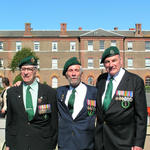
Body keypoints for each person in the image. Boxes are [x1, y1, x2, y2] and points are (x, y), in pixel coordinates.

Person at [95, 46, 147, 150]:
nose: (111, 65)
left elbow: (141, 116)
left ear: (121, 60)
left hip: (124, 142)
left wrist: (138, 143)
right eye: (107, 62)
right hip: (101, 142)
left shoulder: (135, 81)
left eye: (114, 60)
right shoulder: (101, 80)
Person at [6, 56, 58, 150]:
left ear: (35, 71)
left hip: (43, 144)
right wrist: (8, 144)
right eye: (23, 69)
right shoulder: (12, 93)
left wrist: (52, 144)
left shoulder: (49, 92)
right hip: (18, 144)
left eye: (29, 69)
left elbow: (53, 122)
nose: (26, 72)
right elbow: (10, 121)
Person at [57, 57, 97, 150]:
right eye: (70, 71)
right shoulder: (59, 92)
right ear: (66, 74)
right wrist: (21, 84)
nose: (74, 74)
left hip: (87, 144)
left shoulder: (93, 92)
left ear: (81, 73)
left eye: (76, 70)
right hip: (65, 144)